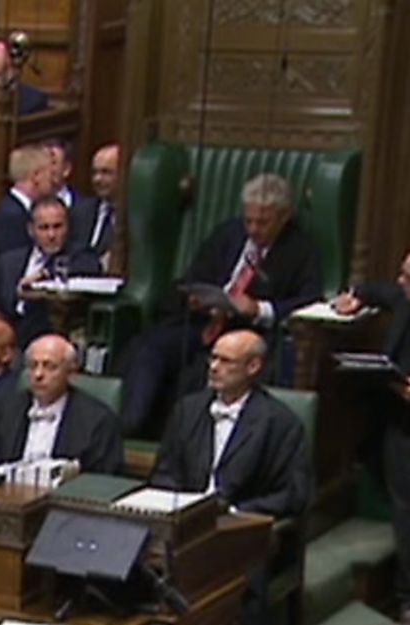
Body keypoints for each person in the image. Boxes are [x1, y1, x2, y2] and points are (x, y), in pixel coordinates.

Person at [119, 173, 322, 438]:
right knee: (149, 348)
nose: (253, 229)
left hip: (248, 332)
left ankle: (182, 441)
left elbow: (308, 301)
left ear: (284, 216)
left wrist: (259, 309)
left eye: (263, 222)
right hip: (203, 321)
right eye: (249, 220)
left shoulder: (300, 249)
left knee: (205, 370)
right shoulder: (229, 234)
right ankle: (128, 430)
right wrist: (195, 297)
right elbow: (195, 275)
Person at [150, 328, 312, 515]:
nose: (214, 367)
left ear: (253, 367)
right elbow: (164, 473)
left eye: (225, 361)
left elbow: (292, 494)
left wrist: (237, 512)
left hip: (241, 524)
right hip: (183, 519)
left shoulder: (280, 423)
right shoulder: (188, 410)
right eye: (213, 358)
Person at [334, 250, 410, 619]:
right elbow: (381, 291)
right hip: (402, 424)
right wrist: (358, 295)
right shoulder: (404, 297)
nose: (401, 283)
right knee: (405, 511)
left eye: (409, 278)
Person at [0, 335, 123, 474]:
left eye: (49, 366)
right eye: (33, 366)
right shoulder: (4, 410)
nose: (38, 374)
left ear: (70, 373)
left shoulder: (99, 421)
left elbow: (102, 480)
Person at [0, 197, 101, 346]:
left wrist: (43, 276)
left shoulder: (80, 256)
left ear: (68, 227)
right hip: (8, 340)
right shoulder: (8, 262)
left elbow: (90, 267)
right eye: (44, 227)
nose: (51, 235)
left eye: (57, 226)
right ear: (31, 230)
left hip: (49, 339)